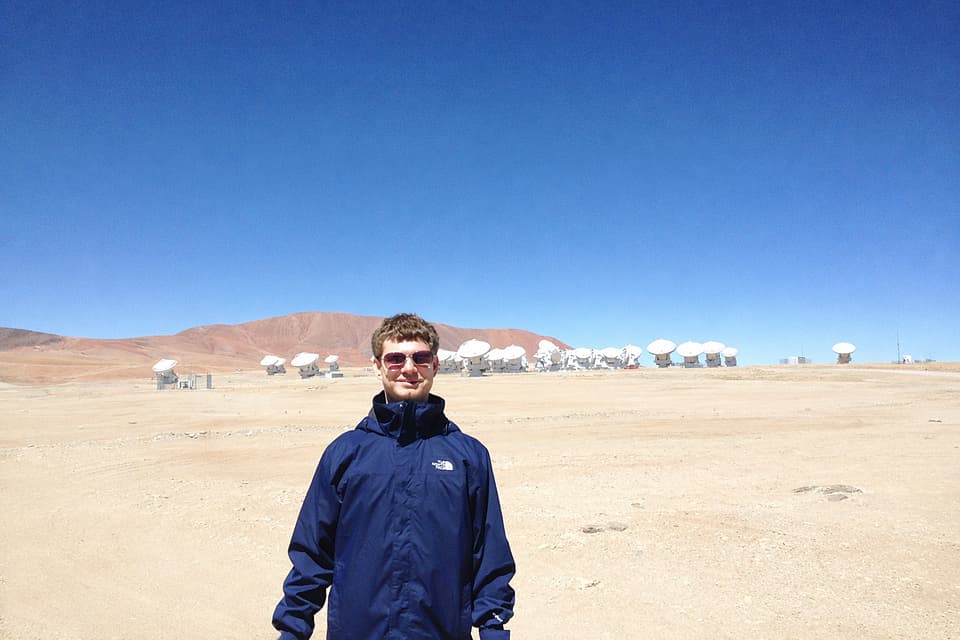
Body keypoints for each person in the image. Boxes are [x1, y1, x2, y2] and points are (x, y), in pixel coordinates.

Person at [273, 313, 516, 639]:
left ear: (436, 365)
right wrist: (292, 629)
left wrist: (493, 628)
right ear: (378, 366)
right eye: (395, 358)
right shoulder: (346, 453)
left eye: (421, 358)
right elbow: (312, 554)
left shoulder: (468, 456)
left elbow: (489, 555)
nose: (409, 368)